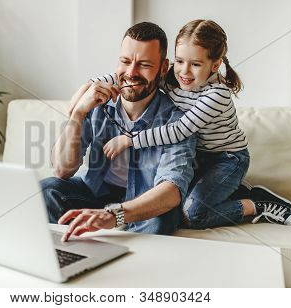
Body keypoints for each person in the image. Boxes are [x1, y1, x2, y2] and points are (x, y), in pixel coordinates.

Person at [89, 20, 291, 229]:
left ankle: (255, 203)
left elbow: (180, 130)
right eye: (180, 61)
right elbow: (129, 77)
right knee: (165, 202)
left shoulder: (217, 94)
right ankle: (231, 190)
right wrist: (90, 88)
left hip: (226, 160)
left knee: (191, 215)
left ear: (215, 64)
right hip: (198, 156)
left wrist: (130, 140)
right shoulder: (173, 76)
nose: (184, 72)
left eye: (196, 64)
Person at [41, 22, 197, 242]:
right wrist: (77, 114)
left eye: (143, 65)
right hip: (97, 192)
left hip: (144, 201)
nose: (131, 73)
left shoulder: (179, 119)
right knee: (48, 189)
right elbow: (62, 170)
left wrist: (115, 214)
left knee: (164, 217)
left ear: (163, 68)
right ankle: (68, 255)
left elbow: (171, 190)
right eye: (125, 62)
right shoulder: (97, 102)